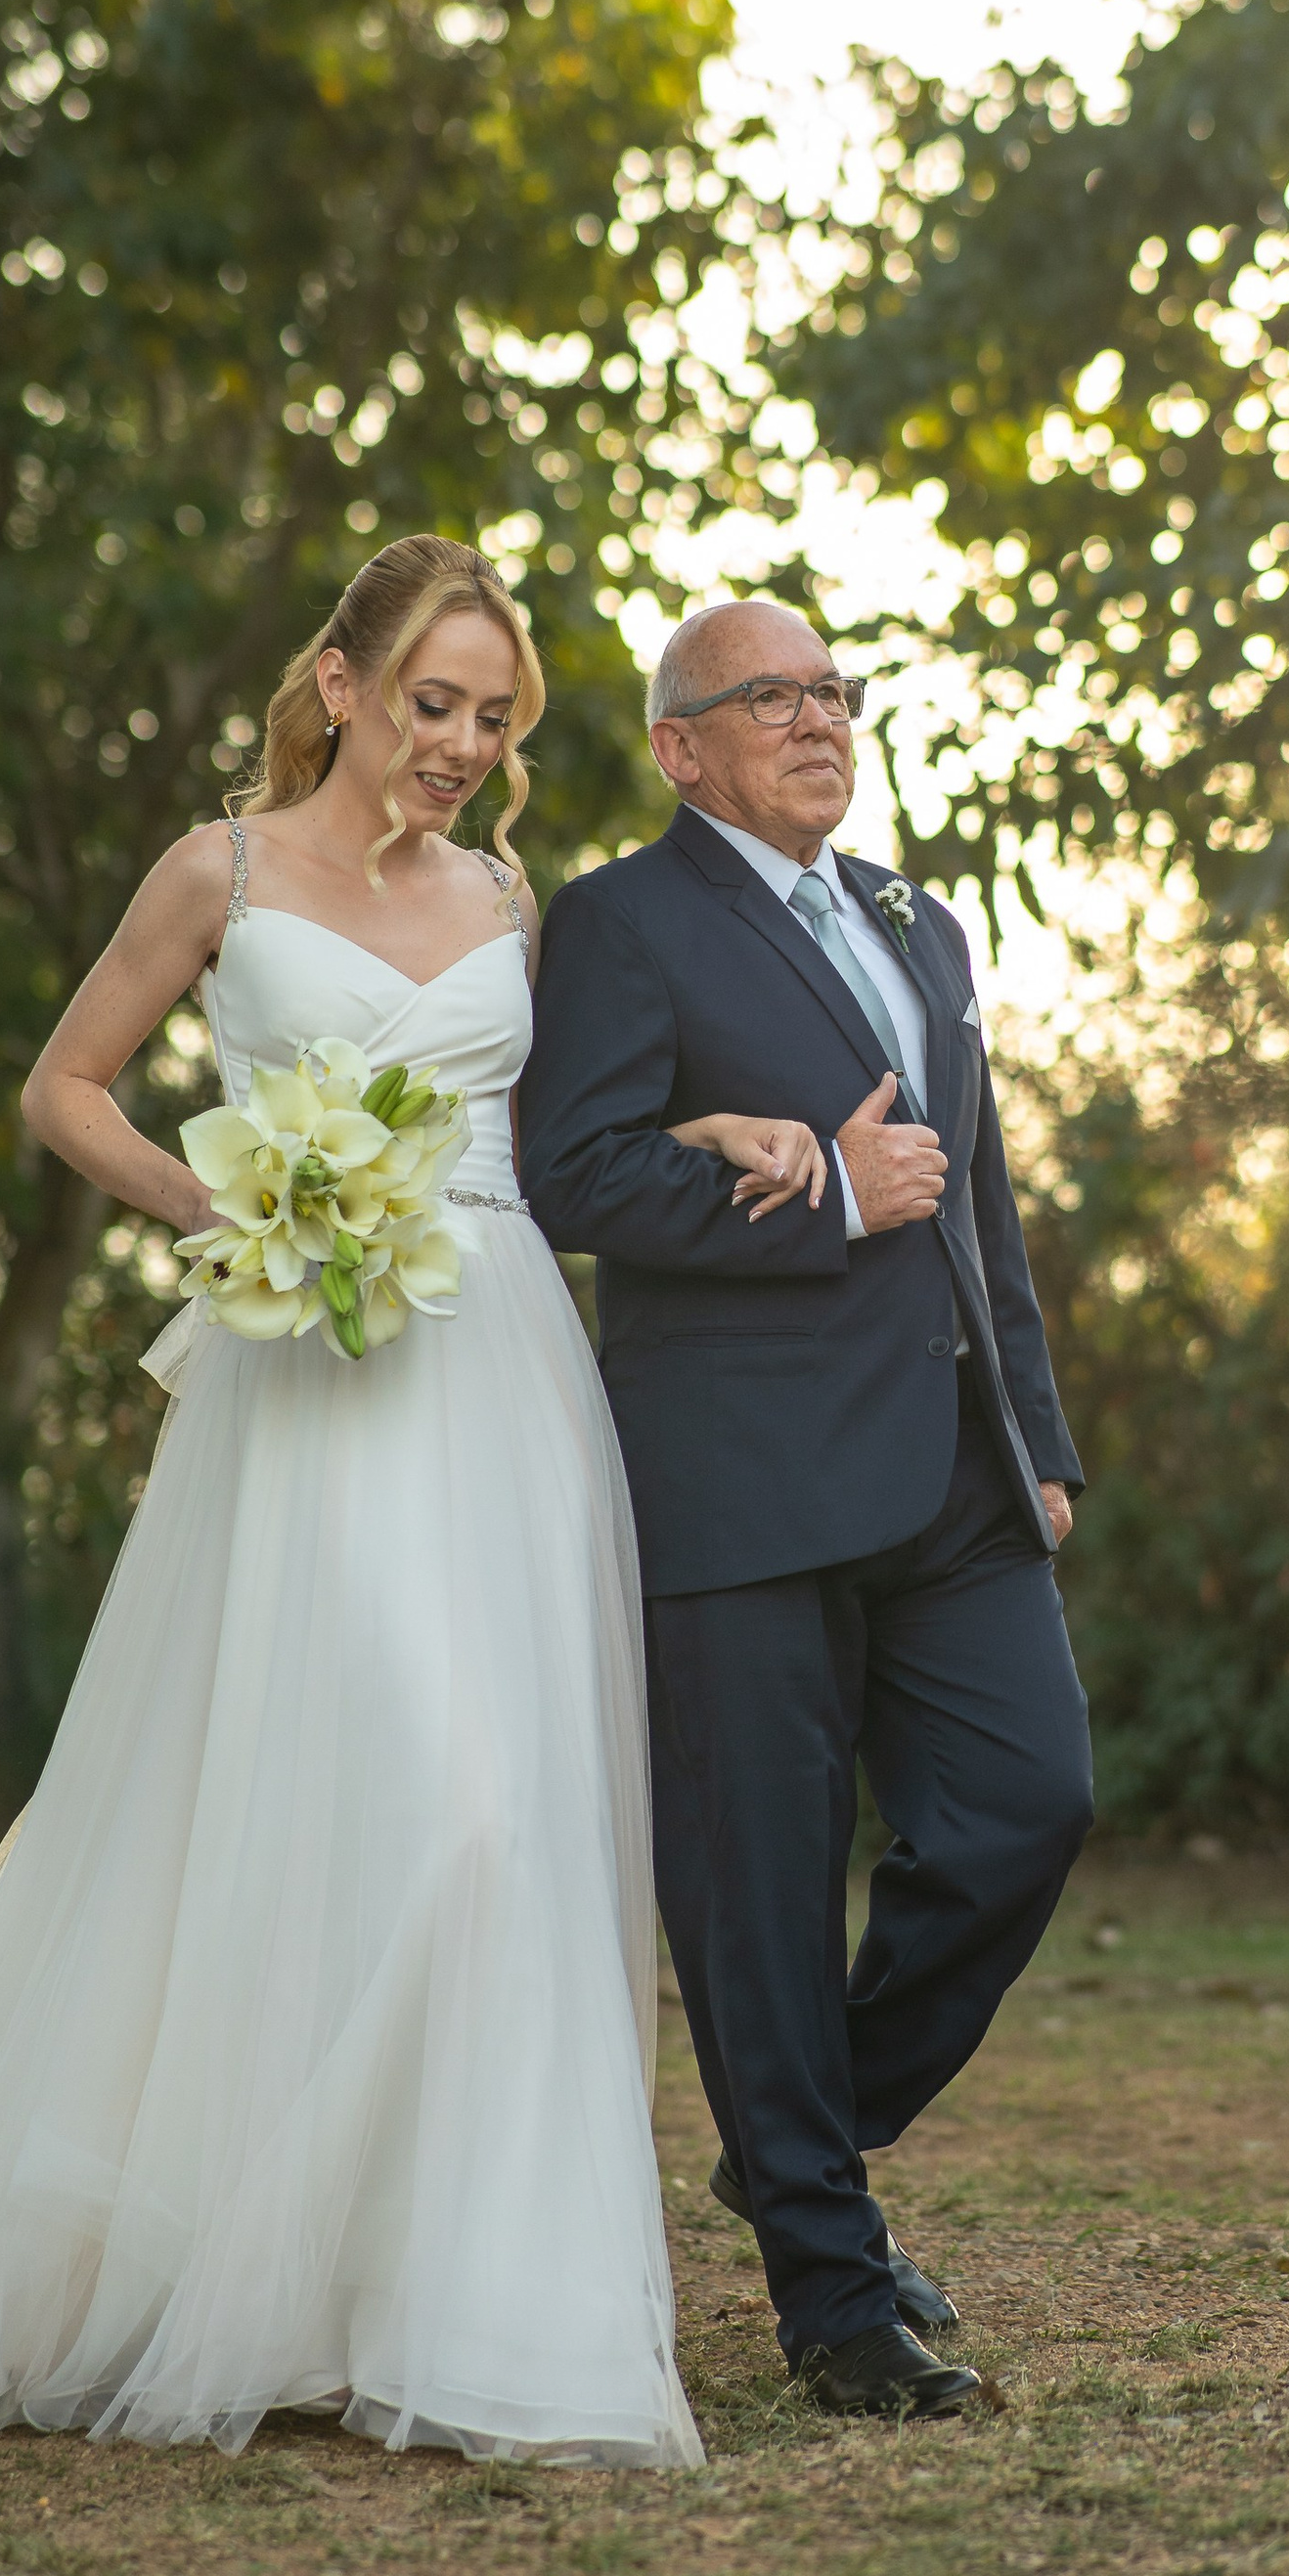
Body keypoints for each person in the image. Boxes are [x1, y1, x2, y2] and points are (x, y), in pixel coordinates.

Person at [0, 536, 814, 2468]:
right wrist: (223, 1204)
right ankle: (236, 2268)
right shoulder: (212, 875)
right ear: (339, 684)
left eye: (491, 716)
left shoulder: (510, 898)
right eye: (430, 702)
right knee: (345, 1805)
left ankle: (445, 2299)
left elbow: (559, 1148)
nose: (461, 742)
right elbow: (69, 1088)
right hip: (301, 1379)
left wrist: (699, 1130)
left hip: (496, 1383)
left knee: (498, 1822)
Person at [519, 596, 1093, 2422]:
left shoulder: (923, 920)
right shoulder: (620, 923)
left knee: (1025, 1809)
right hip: (739, 1483)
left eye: (837, 692)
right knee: (759, 1903)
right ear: (681, 748)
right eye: (771, 697)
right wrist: (833, 1194)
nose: (820, 720)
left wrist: (1040, 1432)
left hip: (956, 1473)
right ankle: (835, 2304)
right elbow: (570, 1176)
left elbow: (981, 1196)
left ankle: (793, 2149)